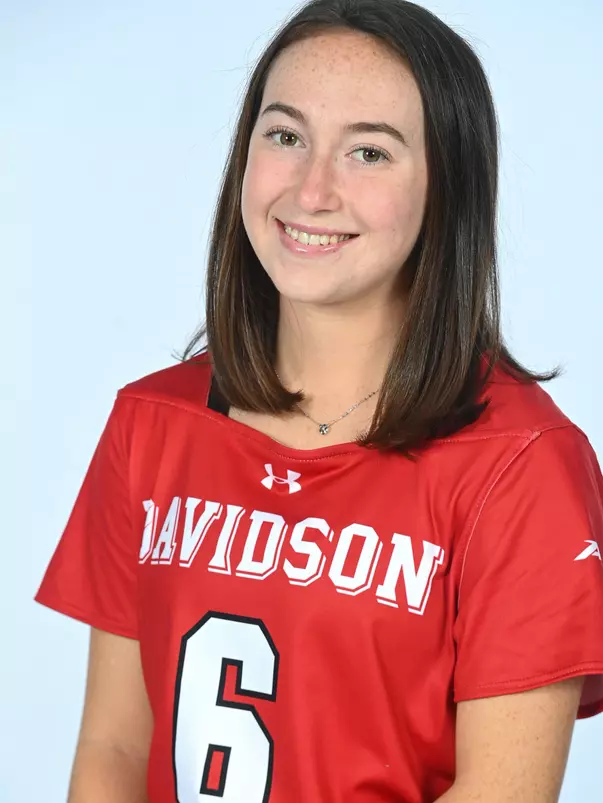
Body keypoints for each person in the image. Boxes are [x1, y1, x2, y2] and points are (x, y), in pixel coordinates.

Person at [34, 1, 603, 801]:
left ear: (447, 189)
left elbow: (502, 791)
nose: (312, 189)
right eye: (286, 135)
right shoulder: (151, 423)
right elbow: (114, 748)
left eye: (369, 152)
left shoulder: (520, 463)